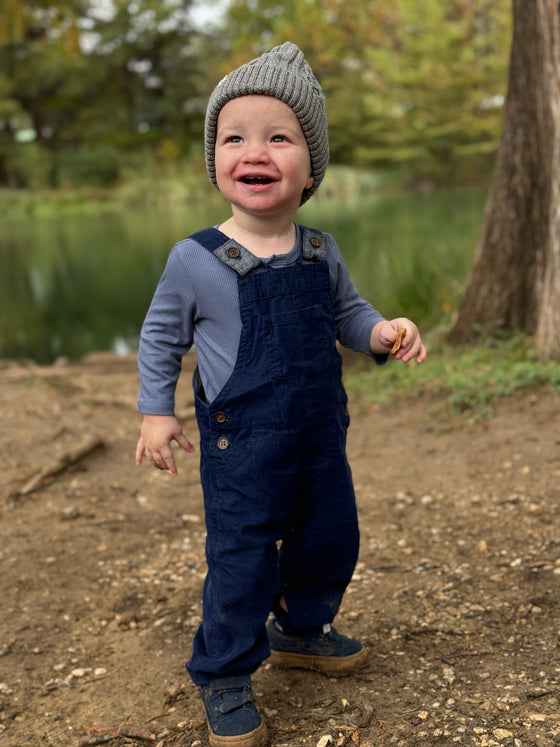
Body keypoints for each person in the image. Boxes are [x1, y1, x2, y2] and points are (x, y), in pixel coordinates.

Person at [135, 41, 426, 747]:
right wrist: (155, 412)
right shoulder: (195, 259)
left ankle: (301, 628)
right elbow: (159, 338)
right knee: (241, 558)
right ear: (215, 162)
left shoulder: (322, 252)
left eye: (279, 136)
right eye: (234, 137)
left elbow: (348, 315)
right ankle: (226, 672)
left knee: (330, 538)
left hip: (319, 437)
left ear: (310, 166)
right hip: (244, 449)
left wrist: (381, 331)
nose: (254, 150)